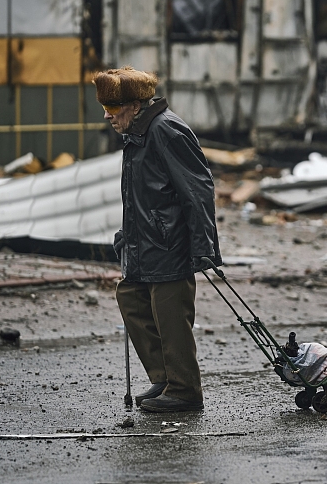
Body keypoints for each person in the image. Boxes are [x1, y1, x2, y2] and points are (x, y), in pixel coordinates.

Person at [95, 66, 221, 413]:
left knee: (170, 316)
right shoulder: (138, 133)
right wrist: (127, 236)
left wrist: (203, 247)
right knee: (132, 299)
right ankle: (165, 378)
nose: (106, 115)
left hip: (169, 245)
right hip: (143, 243)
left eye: (113, 107)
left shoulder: (166, 131)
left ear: (135, 104)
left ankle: (185, 390)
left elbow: (198, 190)